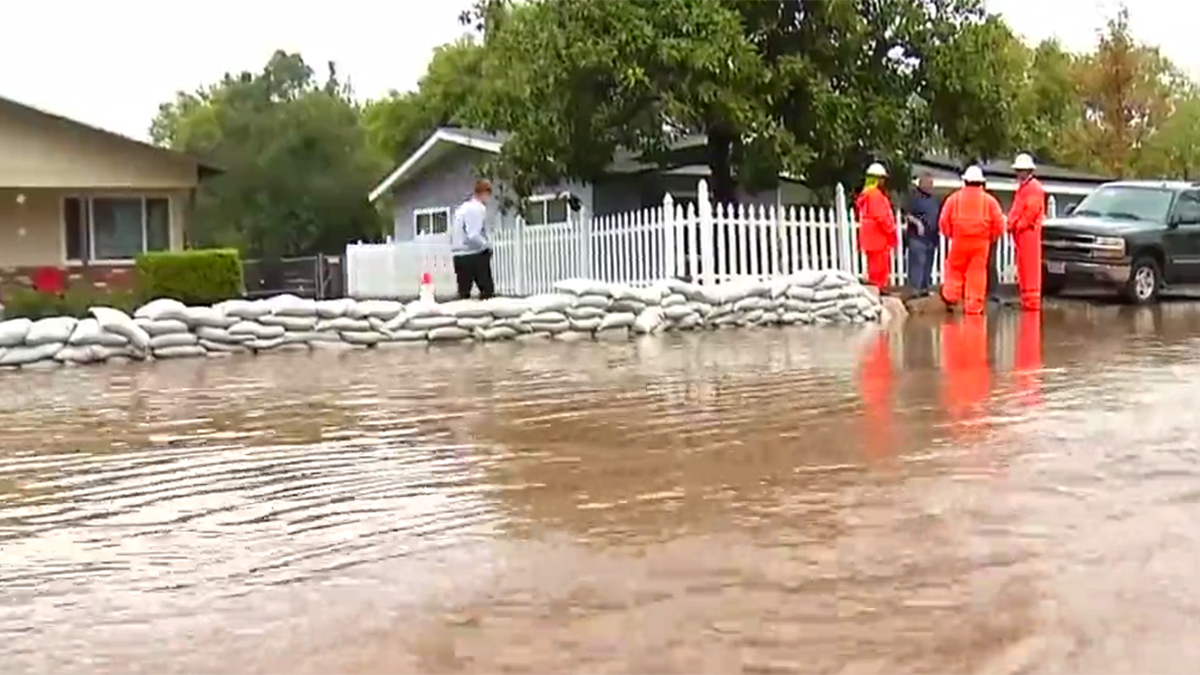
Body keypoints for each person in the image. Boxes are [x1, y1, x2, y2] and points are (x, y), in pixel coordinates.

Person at [939, 165, 1005, 315]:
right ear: (981, 183)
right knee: (977, 273)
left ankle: (951, 297)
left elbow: (943, 221)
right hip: (981, 243)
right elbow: (999, 225)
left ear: (965, 181)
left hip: (959, 240)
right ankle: (974, 306)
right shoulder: (990, 201)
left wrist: (951, 235)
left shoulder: (953, 199)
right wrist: (990, 237)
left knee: (955, 268)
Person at [1007, 153, 1046, 311]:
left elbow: (1031, 211)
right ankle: (1026, 300)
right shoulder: (1024, 188)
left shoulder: (1033, 188)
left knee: (1030, 268)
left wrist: (1018, 225)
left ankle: (1032, 302)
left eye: (1020, 170)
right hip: (1022, 233)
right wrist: (1011, 224)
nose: (1018, 173)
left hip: (1028, 232)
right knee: (1023, 267)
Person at [855, 162, 897, 292]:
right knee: (880, 269)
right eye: (882, 179)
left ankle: (876, 289)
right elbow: (882, 217)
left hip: (870, 239)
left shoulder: (865, 195)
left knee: (873, 267)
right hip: (878, 238)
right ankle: (879, 290)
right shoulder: (875, 196)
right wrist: (891, 230)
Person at [451, 179, 495, 300]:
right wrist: (487, 246)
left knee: (463, 293)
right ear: (484, 193)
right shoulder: (477, 208)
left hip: (458, 256)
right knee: (487, 292)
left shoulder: (461, 209)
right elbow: (473, 235)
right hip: (473, 255)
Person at [904, 172, 940, 296]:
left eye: (932, 183)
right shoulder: (914, 197)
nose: (931, 186)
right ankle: (915, 290)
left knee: (928, 264)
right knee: (917, 263)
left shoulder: (934, 200)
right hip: (917, 238)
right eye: (928, 183)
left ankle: (924, 289)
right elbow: (907, 214)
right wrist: (917, 223)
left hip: (932, 238)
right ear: (921, 184)